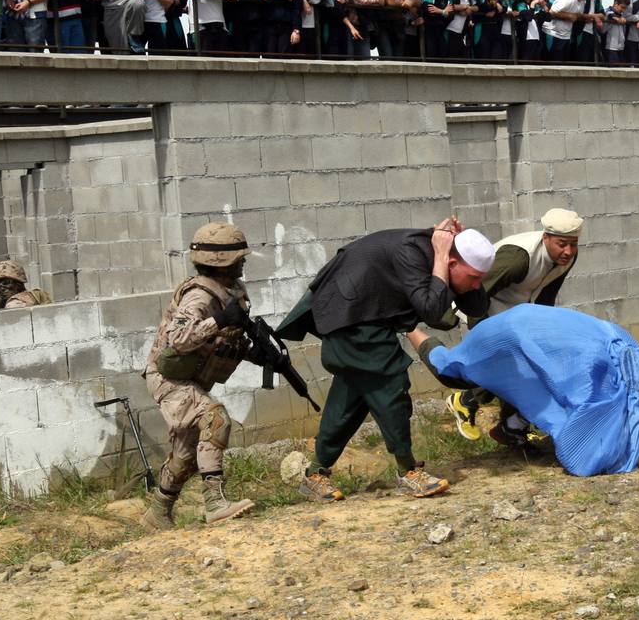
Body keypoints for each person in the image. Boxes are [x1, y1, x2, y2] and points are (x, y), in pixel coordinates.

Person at [276, 221, 495, 501]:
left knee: (352, 396)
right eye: (474, 277)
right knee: (390, 385)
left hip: (367, 315)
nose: (477, 284)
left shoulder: (446, 258)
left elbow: (476, 305)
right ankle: (407, 471)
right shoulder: (413, 253)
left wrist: (460, 258)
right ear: (451, 262)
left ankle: (315, 473)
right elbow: (431, 310)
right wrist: (441, 258)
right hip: (349, 314)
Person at [408, 306, 639, 476]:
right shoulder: (589, 372)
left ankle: (509, 430)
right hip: (508, 334)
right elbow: (578, 455)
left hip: (538, 329)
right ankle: (408, 326)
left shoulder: (630, 351)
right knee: (451, 370)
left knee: (535, 388)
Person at [141, 222, 258, 529]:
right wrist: (217, 320)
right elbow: (177, 340)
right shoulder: (199, 296)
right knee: (215, 418)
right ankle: (215, 504)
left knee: (185, 453)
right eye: (239, 258)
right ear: (222, 262)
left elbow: (224, 338)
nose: (243, 263)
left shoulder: (230, 291)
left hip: (189, 377)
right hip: (168, 377)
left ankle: (157, 513)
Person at [446, 208, 582, 446]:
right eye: (562, 244)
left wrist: (543, 331)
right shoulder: (518, 258)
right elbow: (479, 290)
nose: (568, 251)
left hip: (515, 311)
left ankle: (510, 428)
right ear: (545, 238)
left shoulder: (567, 258)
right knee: (509, 364)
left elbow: (546, 296)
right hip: (481, 304)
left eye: (574, 244)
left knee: (531, 362)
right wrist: (483, 336)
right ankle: (467, 402)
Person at [543, 0, 588, 64]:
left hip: (566, 35)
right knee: (554, 64)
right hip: (553, 34)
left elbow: (578, 14)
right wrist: (569, 15)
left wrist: (577, 16)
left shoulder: (582, 1)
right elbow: (552, 11)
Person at [602, 0, 630, 65]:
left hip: (620, 47)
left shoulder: (622, 15)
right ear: (615, 3)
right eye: (622, 7)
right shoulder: (607, 11)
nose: (623, 10)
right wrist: (614, 18)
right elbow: (609, 14)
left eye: (625, 8)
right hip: (610, 47)